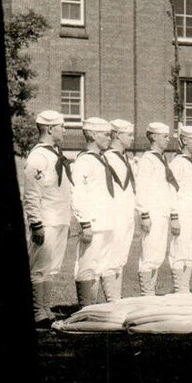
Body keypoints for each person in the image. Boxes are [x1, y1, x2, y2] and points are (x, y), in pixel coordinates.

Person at [22, 109, 74, 323]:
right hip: (46, 220)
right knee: (39, 268)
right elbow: (31, 194)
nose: (65, 130)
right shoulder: (38, 156)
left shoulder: (55, 154)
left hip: (60, 218)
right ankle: (37, 312)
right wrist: (36, 223)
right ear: (50, 129)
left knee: (52, 268)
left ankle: (46, 308)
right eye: (62, 126)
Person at [69, 117, 117, 306]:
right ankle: (86, 308)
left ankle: (95, 308)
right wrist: (85, 223)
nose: (109, 138)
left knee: (101, 266)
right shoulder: (84, 161)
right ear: (93, 135)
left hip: (106, 221)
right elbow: (77, 193)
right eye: (106, 135)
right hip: (93, 223)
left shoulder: (101, 160)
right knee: (87, 265)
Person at [134, 121, 177, 297]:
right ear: (153, 137)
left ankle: (150, 291)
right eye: (165, 136)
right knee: (149, 254)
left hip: (162, 212)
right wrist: (144, 214)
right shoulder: (148, 160)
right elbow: (141, 188)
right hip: (152, 213)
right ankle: (147, 294)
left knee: (158, 255)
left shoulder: (161, 159)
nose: (168, 139)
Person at [102, 119, 138, 301]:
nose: (132, 138)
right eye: (129, 134)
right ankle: (111, 300)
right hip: (114, 213)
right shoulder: (107, 158)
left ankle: (116, 297)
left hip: (126, 213)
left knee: (121, 256)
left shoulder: (125, 158)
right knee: (111, 256)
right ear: (116, 135)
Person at [167, 125, 192, 293]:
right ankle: (179, 289)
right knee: (179, 251)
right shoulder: (177, 163)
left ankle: (185, 288)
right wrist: (174, 216)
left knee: (190, 252)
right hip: (182, 213)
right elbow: (172, 190)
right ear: (184, 140)